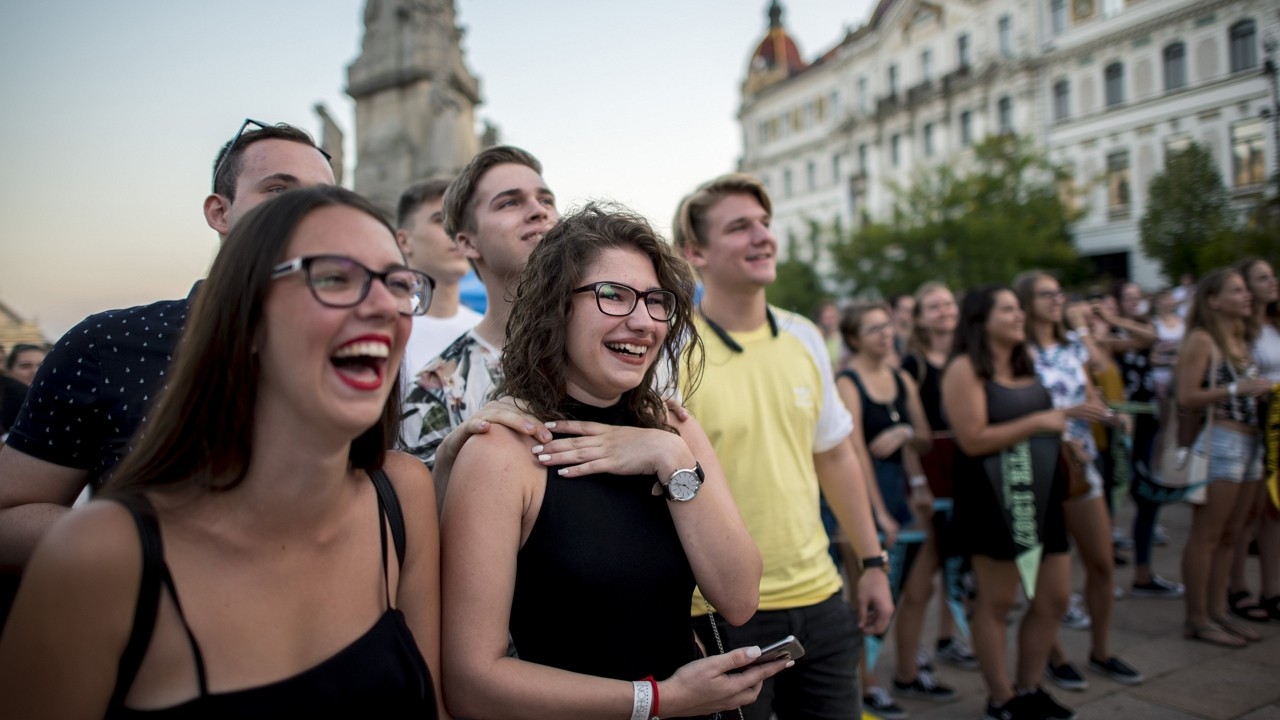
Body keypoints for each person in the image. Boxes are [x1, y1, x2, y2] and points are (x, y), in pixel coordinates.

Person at [0, 186, 445, 717]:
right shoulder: (97, 556)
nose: (384, 306)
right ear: (244, 317)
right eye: (333, 277)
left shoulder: (401, 494)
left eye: (399, 284)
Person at [442, 204, 783, 719]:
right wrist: (659, 700)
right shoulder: (505, 452)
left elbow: (739, 598)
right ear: (557, 308)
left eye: (656, 301)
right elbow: (473, 683)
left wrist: (670, 457)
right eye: (613, 295)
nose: (643, 321)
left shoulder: (676, 431)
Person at [0, 120, 336, 624]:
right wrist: (149, 547)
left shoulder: (357, 351)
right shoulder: (107, 345)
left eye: (324, 198)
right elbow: (8, 515)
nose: (305, 211)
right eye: (278, 190)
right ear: (219, 212)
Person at [672, 173, 892, 720]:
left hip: (821, 596)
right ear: (695, 251)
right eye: (740, 227)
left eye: (766, 224)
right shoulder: (672, 348)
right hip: (720, 610)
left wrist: (872, 563)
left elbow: (835, 455)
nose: (762, 236)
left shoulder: (805, 336)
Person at [942, 285, 1091, 720]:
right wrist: (1041, 421)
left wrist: (1062, 440)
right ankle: (1001, 698)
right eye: (1007, 309)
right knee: (998, 601)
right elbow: (972, 440)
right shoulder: (965, 369)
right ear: (980, 320)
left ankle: (1030, 689)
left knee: (1055, 598)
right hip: (992, 499)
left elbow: (1041, 428)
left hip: (1042, 495)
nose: (1019, 314)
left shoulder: (1026, 362)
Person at [400, 146, 559, 505]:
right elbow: (424, 537)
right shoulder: (435, 391)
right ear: (467, 243)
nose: (539, 211)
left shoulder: (622, 342)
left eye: (546, 199)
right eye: (509, 203)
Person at [1014, 271, 1143, 691]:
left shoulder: (1071, 346)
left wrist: (1110, 413)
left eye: (1059, 293)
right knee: (1050, 577)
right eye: (1046, 295)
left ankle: (1102, 650)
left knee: (1102, 563)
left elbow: (1091, 392)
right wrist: (1068, 418)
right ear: (1026, 303)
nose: (1057, 301)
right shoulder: (1018, 353)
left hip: (1083, 463)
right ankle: (1055, 656)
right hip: (1043, 467)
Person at [837, 301, 951, 719]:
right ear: (853, 339)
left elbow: (922, 437)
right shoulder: (848, 381)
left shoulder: (902, 376)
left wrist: (904, 433)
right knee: (868, 596)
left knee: (919, 589)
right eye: (874, 329)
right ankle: (868, 685)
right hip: (864, 498)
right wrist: (878, 513)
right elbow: (853, 453)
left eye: (888, 326)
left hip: (904, 493)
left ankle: (908, 670)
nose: (886, 334)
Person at [1177, 267, 1272, 648]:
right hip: (1222, 444)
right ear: (1213, 300)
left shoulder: (1240, 337)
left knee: (1235, 534)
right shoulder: (1203, 339)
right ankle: (1197, 618)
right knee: (1208, 535)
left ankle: (1219, 612)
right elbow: (1185, 396)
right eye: (1237, 290)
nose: (1246, 295)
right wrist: (1237, 388)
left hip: (1252, 444)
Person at [900, 282, 977, 670]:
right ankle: (909, 658)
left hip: (969, 464)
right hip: (931, 468)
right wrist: (917, 482)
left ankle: (948, 638)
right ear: (920, 318)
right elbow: (908, 431)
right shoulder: (912, 364)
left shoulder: (971, 357)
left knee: (957, 563)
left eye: (949, 303)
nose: (944, 311)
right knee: (923, 569)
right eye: (934, 306)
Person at [1226, 257, 1280, 622]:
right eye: (1262, 278)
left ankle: (1272, 590)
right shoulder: (1241, 333)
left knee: (1274, 513)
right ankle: (1236, 587)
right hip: (1253, 427)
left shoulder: (1275, 324)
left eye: (1271, 276)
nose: (1271, 282)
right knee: (1246, 514)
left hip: (1276, 428)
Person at [394, 177, 482, 380]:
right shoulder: (383, 326)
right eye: (441, 220)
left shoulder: (485, 331)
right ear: (404, 241)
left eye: (462, 222)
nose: (457, 232)